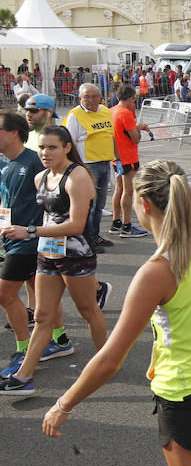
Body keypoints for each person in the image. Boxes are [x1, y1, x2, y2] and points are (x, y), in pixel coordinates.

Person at [38, 159, 191, 466]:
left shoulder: (158, 272)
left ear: (144, 204)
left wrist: (63, 404)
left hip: (187, 396)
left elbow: (109, 360)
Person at [0, 126, 107, 394]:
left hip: (75, 256)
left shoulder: (78, 177)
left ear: (67, 147)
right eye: (42, 148)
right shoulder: (41, 178)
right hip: (47, 254)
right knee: (43, 315)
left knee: (88, 312)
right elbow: (47, 217)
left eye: (52, 147)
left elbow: (76, 225)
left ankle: (106, 361)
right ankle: (24, 377)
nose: (45, 153)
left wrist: (31, 231)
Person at [0, 113, 50, 378]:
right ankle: (55, 340)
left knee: (5, 294)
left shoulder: (33, 161)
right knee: (37, 291)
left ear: (13, 133)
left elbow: (55, 195)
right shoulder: (3, 162)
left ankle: (24, 351)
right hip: (9, 237)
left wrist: (38, 231)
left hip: (29, 240)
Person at [64, 83, 117, 252]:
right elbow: (69, 142)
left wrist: (118, 158)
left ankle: (94, 235)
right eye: (86, 97)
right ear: (80, 98)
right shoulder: (75, 115)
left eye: (95, 96)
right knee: (87, 205)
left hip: (105, 162)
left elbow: (110, 135)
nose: (91, 100)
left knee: (99, 204)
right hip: (87, 165)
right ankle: (85, 239)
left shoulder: (105, 111)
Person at [109, 84, 151, 238]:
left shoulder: (111, 111)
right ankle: (127, 225)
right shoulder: (126, 114)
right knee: (128, 191)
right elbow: (135, 138)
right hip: (128, 157)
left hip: (117, 157)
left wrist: (136, 126)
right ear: (130, 99)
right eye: (134, 100)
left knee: (118, 190)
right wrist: (138, 128)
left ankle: (116, 222)